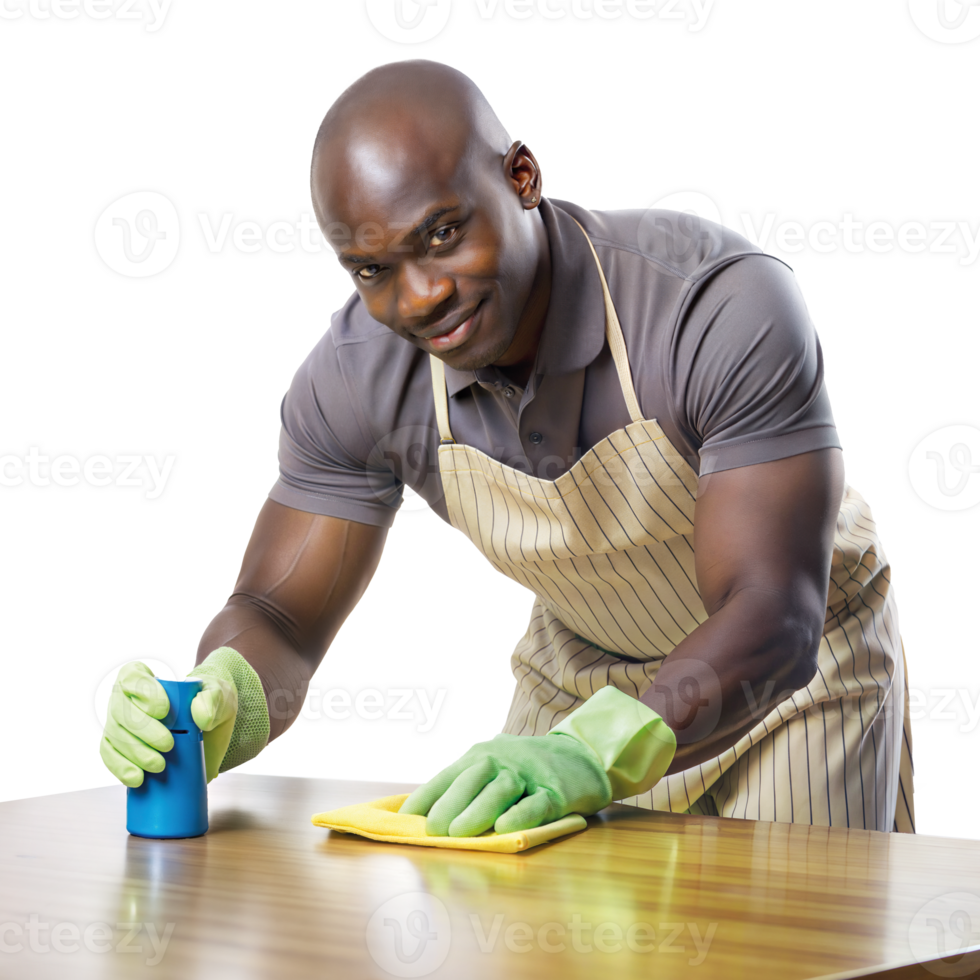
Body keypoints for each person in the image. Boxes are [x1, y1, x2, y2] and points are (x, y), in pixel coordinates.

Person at [100, 59, 915, 835]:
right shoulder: (352, 377)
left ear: (522, 177)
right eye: (373, 270)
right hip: (575, 684)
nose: (420, 296)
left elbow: (771, 609)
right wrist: (225, 699)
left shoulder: (713, 307)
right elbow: (279, 611)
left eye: (444, 234)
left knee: (782, 956)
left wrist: (592, 755)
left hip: (793, 688)